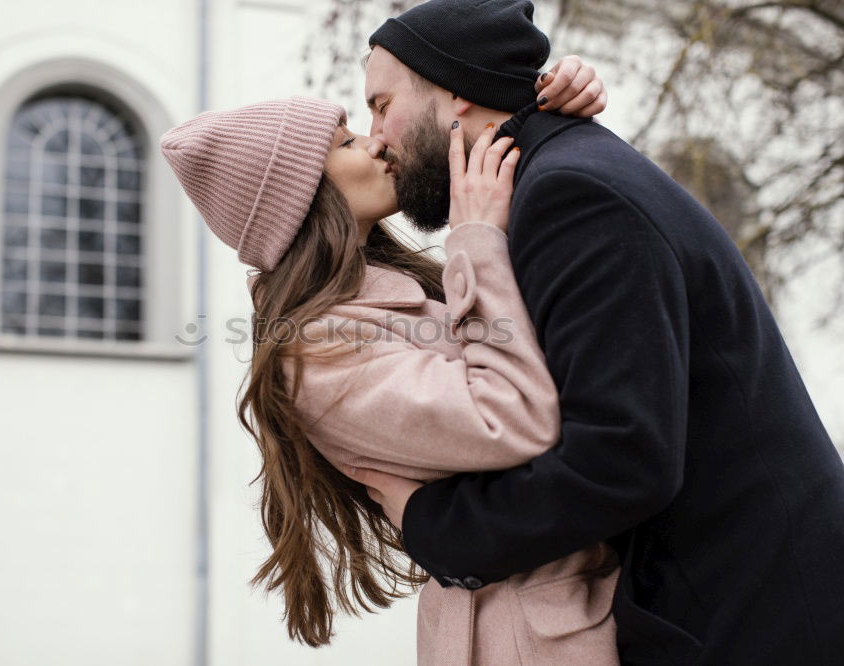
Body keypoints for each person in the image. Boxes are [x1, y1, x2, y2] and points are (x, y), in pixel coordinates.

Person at [346, 1, 844, 664]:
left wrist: (434, 528)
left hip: (750, 618)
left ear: (456, 92)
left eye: (382, 105)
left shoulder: (571, 195)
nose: (376, 136)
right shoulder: (556, 175)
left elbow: (620, 456)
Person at [159, 60, 617, 664]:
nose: (376, 142)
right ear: (303, 196)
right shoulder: (316, 355)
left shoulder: (395, 289)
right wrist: (477, 239)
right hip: (523, 639)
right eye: (346, 142)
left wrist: (552, 109)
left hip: (574, 607)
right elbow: (511, 417)